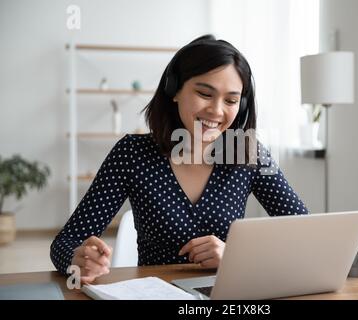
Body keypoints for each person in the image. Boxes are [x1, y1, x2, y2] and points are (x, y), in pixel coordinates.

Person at [50, 34, 309, 284]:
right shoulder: (132, 154)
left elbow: (306, 233)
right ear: (174, 90)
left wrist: (236, 256)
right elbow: (65, 242)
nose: (216, 111)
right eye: (205, 94)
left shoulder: (249, 152)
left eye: (231, 100)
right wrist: (77, 259)